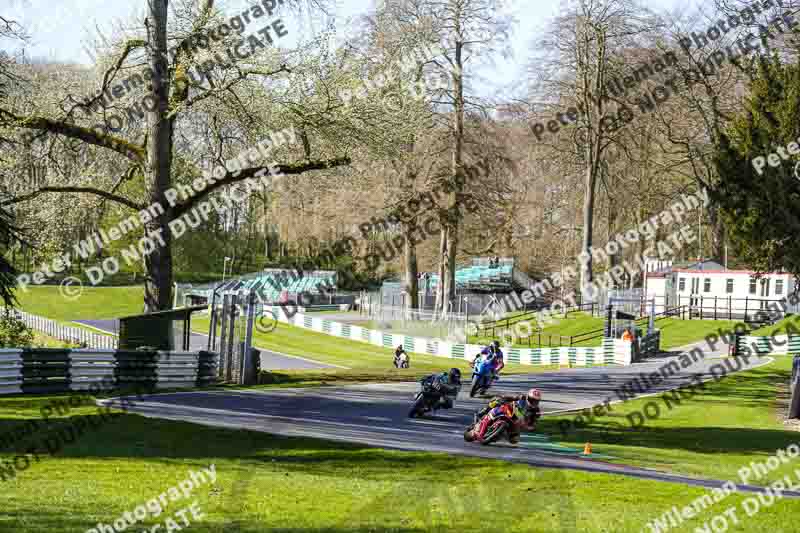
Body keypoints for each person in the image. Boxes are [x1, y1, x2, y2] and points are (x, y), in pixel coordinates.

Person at [471, 388, 542, 444]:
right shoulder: (521, 398)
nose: (534, 402)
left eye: (536, 401)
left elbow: (533, 425)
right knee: (496, 401)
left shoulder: (536, 411)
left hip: (516, 423)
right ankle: (482, 412)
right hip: (508, 411)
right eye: (532, 400)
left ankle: (500, 435)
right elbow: (509, 397)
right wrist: (503, 398)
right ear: (527, 397)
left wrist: (527, 427)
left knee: (514, 441)